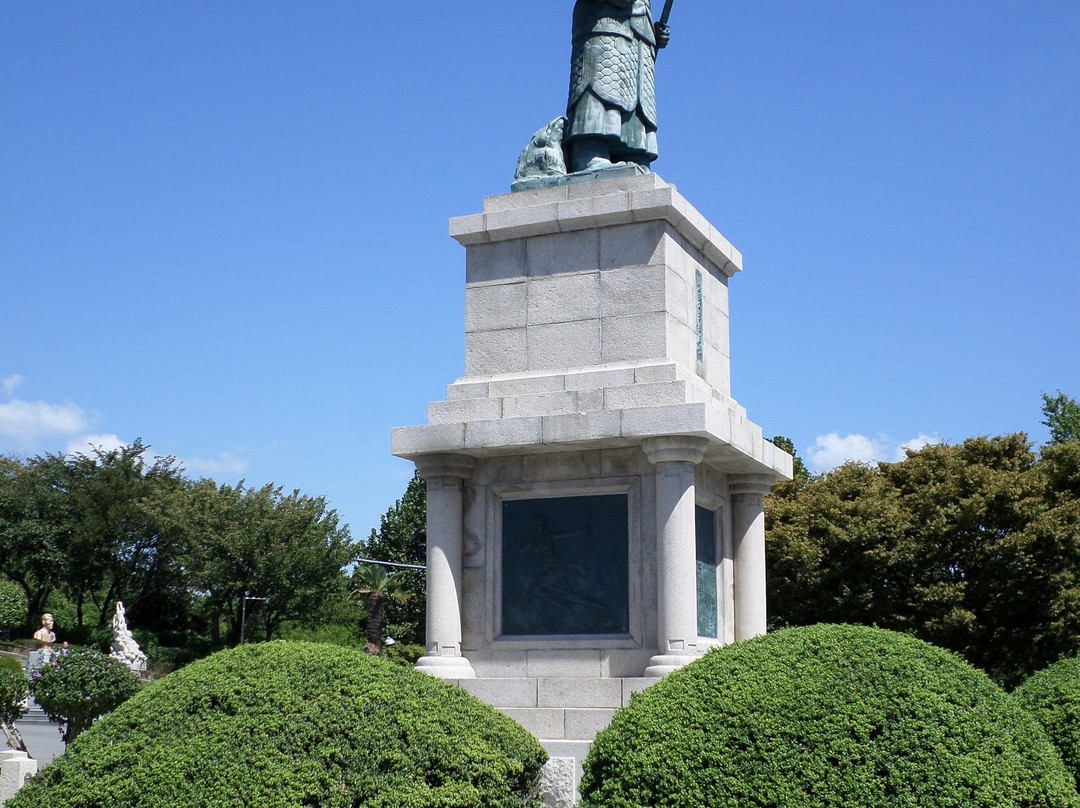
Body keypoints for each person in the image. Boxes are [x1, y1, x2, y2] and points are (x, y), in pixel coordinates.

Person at [565, 0, 670, 173]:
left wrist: (652, 33)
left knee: (638, 103)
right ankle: (590, 154)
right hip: (605, 28)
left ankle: (634, 154)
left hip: (639, 40)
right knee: (602, 91)